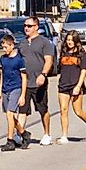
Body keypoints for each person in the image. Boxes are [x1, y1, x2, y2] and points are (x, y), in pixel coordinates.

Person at [21, 15, 57, 144]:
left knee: (43, 109)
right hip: (25, 83)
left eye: (29, 26)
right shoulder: (22, 43)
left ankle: (47, 134)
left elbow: (49, 60)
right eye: (25, 26)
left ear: (36, 27)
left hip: (39, 82)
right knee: (22, 110)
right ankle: (21, 134)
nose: (26, 28)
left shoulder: (44, 42)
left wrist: (43, 74)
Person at [53, 31, 86, 142]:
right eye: (68, 40)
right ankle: (64, 135)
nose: (69, 42)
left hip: (75, 85)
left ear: (76, 41)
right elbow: (60, 69)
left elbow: (83, 71)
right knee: (63, 110)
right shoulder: (63, 53)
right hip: (63, 85)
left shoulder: (82, 55)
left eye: (71, 40)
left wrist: (78, 86)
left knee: (78, 111)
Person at [0, 34, 31, 151]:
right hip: (6, 89)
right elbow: (2, 76)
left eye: (6, 47)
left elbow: (24, 78)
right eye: (3, 47)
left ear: (12, 45)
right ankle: (24, 133)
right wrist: (0, 91)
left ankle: (10, 140)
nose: (4, 50)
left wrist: (23, 95)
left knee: (10, 114)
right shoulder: (3, 59)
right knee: (9, 116)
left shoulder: (19, 60)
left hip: (16, 88)